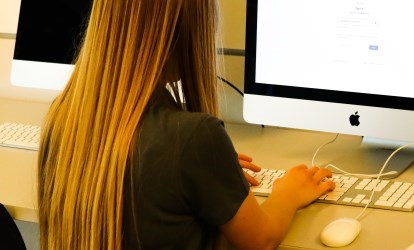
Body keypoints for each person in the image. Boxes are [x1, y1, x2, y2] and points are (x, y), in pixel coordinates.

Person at [37, 0, 335, 249]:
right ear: (188, 31)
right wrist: (289, 192)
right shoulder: (193, 136)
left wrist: (214, 173)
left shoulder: (64, 116)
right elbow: (262, 239)